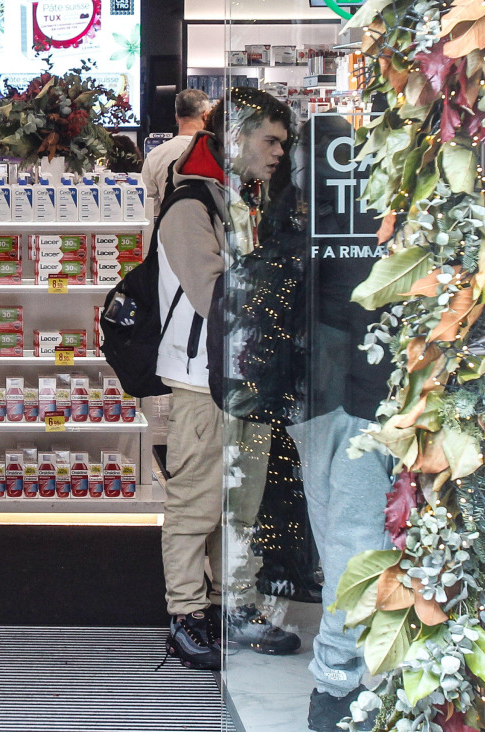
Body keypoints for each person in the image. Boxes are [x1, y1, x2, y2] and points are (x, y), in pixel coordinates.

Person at [155, 88, 299, 670]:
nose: (279, 153)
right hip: (203, 381)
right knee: (195, 506)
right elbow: (215, 295)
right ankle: (187, 615)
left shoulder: (237, 198)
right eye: (271, 140)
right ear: (236, 136)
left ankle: (231, 604)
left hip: (243, 376)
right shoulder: (191, 204)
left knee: (241, 503)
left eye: (284, 143)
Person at [286, 114, 395, 732]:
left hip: (328, 398)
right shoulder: (375, 217)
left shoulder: (300, 218)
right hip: (359, 398)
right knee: (351, 542)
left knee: (343, 542)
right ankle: (338, 680)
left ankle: (336, 681)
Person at [141, 88, 211, 218]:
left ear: (177, 117)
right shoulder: (214, 152)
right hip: (208, 226)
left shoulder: (155, 155)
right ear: (205, 116)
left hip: (168, 225)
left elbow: (150, 206)